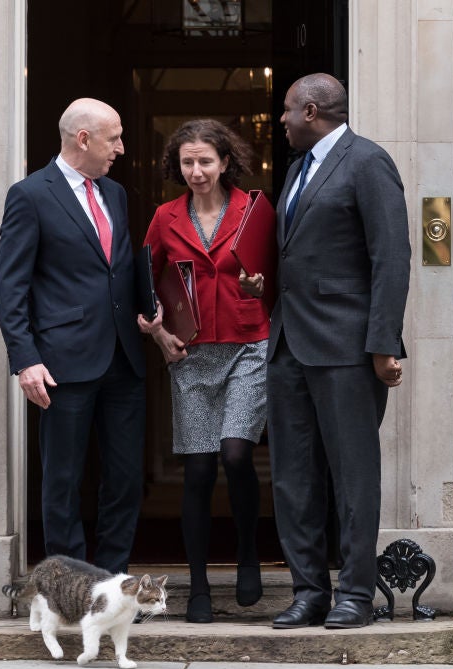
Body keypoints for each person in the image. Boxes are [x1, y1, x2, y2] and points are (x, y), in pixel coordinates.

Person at [258, 74, 410, 629]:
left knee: (352, 476)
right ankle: (308, 591)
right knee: (293, 477)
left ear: (312, 110)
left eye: (287, 112)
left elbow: (392, 258)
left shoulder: (367, 162)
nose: (282, 121)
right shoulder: (298, 170)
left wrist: (382, 344)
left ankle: (355, 593)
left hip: (346, 348)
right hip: (289, 345)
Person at [0, 98, 146, 575]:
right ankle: (72, 586)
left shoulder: (115, 194)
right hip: (62, 362)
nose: (121, 148)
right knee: (62, 480)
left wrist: (154, 318)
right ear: (84, 139)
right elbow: (10, 284)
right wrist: (25, 359)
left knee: (124, 478)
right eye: (114, 138)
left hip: (124, 357)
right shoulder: (30, 195)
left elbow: (118, 270)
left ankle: (114, 583)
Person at [138, 119, 270, 623]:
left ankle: (249, 555)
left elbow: (277, 275)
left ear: (225, 162)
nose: (196, 171)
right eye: (188, 162)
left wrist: (262, 286)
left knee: (236, 455)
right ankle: (197, 587)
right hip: (190, 355)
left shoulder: (254, 210)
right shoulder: (165, 217)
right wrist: (156, 330)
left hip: (247, 343)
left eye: (206, 161)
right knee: (198, 470)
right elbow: (143, 287)